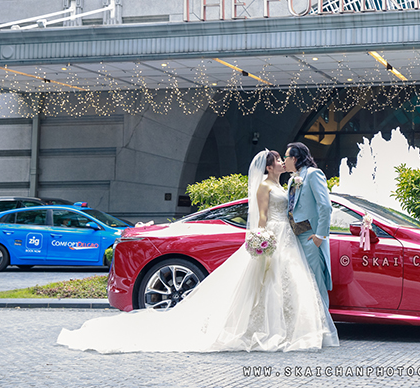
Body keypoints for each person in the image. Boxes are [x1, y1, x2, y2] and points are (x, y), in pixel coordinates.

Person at [56, 150, 338, 353]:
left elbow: (299, 208)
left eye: (283, 158)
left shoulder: (287, 183)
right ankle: (271, 331)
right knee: (271, 285)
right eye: (278, 159)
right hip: (275, 238)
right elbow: (262, 218)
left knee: (286, 285)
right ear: (269, 167)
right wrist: (263, 240)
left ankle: (289, 329)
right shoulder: (266, 186)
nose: (282, 162)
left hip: (290, 237)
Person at [284, 142, 333, 308]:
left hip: (310, 236)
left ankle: (323, 327)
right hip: (294, 238)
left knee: (315, 282)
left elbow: (325, 205)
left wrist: (320, 235)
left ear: (295, 158)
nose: (284, 161)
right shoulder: (292, 179)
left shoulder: (313, 174)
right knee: (301, 283)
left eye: (286, 157)